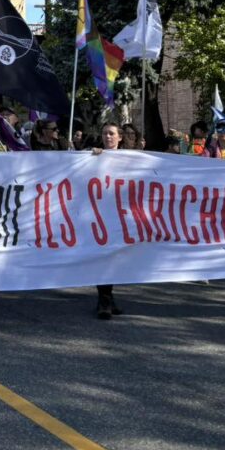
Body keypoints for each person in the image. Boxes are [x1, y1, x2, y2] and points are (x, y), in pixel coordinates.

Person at [91, 122, 127, 319]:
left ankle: (109, 297)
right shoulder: (95, 156)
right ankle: (103, 300)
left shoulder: (130, 158)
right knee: (104, 255)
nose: (108, 137)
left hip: (122, 215)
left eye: (112, 133)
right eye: (105, 133)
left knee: (116, 258)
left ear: (119, 137)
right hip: (101, 214)